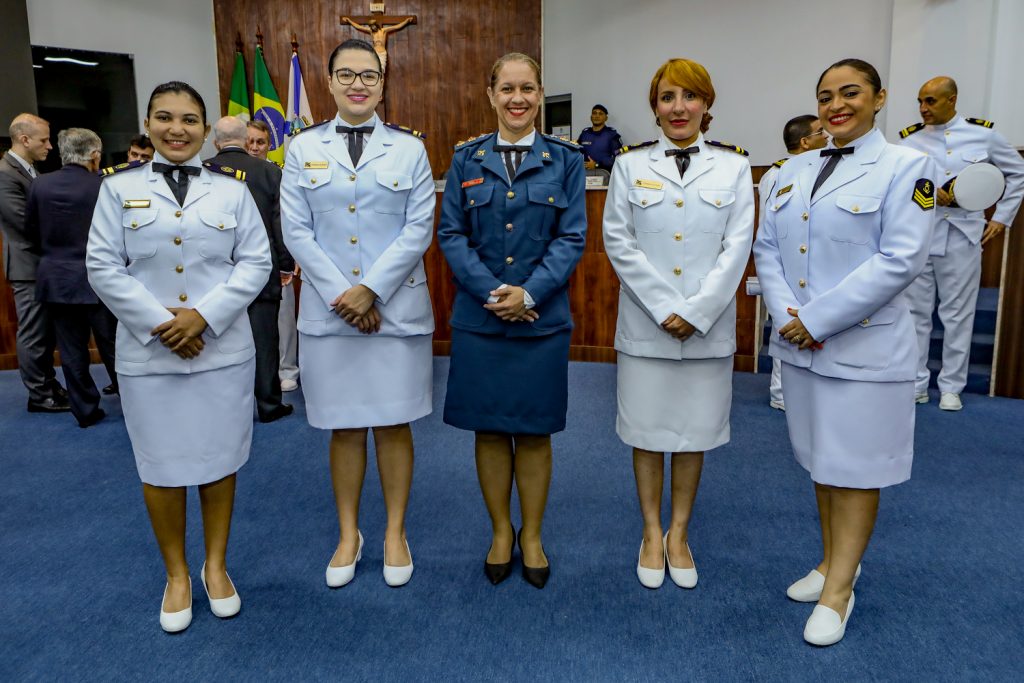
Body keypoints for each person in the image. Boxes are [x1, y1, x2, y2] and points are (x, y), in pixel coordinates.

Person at [753, 59, 936, 646]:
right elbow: (767, 249)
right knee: (822, 463)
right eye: (826, 96)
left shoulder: (908, 167)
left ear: (879, 98)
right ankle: (833, 561)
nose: (837, 105)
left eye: (850, 93)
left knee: (855, 470)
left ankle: (840, 589)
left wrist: (817, 320)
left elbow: (900, 260)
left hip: (865, 348)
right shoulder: (790, 170)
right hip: (801, 348)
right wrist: (789, 316)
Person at [86, 81, 271, 632]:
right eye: (165, 117)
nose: (177, 129)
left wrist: (203, 317)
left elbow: (256, 262)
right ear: (148, 124)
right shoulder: (117, 189)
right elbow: (102, 266)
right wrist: (162, 323)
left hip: (220, 348)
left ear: (206, 129)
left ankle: (215, 566)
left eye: (189, 119)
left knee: (219, 459)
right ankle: (177, 575)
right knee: (161, 465)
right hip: (150, 354)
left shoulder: (231, 191)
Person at [280, 39, 435, 589]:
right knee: (343, 428)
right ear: (329, 82)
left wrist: (370, 290)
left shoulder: (409, 149)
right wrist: (342, 294)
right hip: (330, 315)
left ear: (382, 83)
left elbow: (418, 228)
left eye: (369, 75)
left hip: (395, 309)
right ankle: (349, 534)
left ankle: (394, 532)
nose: (358, 84)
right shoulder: (301, 147)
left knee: (394, 424)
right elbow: (296, 230)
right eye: (346, 74)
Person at [603, 58, 753, 590]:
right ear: (655, 107)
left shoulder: (734, 167)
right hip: (647, 327)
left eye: (689, 96)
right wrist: (666, 306)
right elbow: (618, 241)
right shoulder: (629, 166)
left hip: (706, 329)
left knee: (694, 436)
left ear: (706, 103)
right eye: (667, 97)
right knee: (646, 434)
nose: (679, 107)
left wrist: (695, 312)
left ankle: (679, 534)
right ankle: (651, 531)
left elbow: (737, 247)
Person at [437, 52, 587, 589]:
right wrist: (492, 292)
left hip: (540, 320)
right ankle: (502, 531)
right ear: (491, 94)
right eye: (507, 88)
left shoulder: (566, 160)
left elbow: (572, 237)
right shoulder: (466, 159)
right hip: (482, 320)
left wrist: (529, 293)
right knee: (491, 429)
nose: (517, 98)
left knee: (536, 431)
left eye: (527, 88)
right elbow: (451, 234)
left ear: (540, 94)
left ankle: (533, 535)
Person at [898, 76, 1024, 411]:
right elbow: (898, 184)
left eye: (930, 101)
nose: (923, 108)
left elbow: (1017, 172)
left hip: (963, 235)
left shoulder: (983, 135)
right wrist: (927, 192)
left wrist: (1002, 218)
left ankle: (952, 387)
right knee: (915, 314)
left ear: (951, 99)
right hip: (921, 234)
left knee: (958, 315)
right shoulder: (909, 141)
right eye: (920, 101)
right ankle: (915, 383)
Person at [24, 127, 116, 427]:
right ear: (95, 154)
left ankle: (85, 411)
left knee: (71, 351)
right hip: (99, 278)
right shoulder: (104, 185)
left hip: (57, 279)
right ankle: (133, 403)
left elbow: (30, 231)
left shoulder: (39, 185)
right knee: (113, 346)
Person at [207, 115, 295, 423]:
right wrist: (285, 264)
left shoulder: (202, 171)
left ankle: (226, 407)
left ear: (215, 142)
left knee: (217, 339)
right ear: (246, 141)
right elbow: (279, 223)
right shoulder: (270, 172)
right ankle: (269, 404)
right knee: (265, 340)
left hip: (214, 270)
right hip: (261, 267)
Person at [758, 114, 828, 411]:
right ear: (805, 142)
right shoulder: (777, 174)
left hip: (815, 262)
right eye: (820, 132)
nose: (826, 136)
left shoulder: (823, 169)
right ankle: (781, 392)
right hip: (785, 263)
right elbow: (768, 224)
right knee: (784, 324)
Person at [0, 113, 69, 413]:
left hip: (42, 265)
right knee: (33, 334)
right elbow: (24, 224)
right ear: (24, 139)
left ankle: (48, 384)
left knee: (45, 334)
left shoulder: (28, 170)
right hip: (28, 267)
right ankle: (40, 396)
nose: (50, 146)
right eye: (44, 140)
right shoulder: (5, 173)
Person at [250, 118, 300, 391]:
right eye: (249, 142)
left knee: (284, 317)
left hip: (277, 256)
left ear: (270, 145)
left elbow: (289, 219)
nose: (254, 147)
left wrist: (289, 258)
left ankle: (287, 369)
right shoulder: (225, 175)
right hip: (241, 257)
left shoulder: (279, 174)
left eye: (260, 142)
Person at [577, 104, 623, 171]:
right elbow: (577, 153)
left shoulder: (612, 135)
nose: (597, 116)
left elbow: (617, 158)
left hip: (604, 174)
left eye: (600, 114)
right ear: (591, 117)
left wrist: (596, 164)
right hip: (584, 173)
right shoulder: (585, 133)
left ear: (606, 118)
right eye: (594, 113)